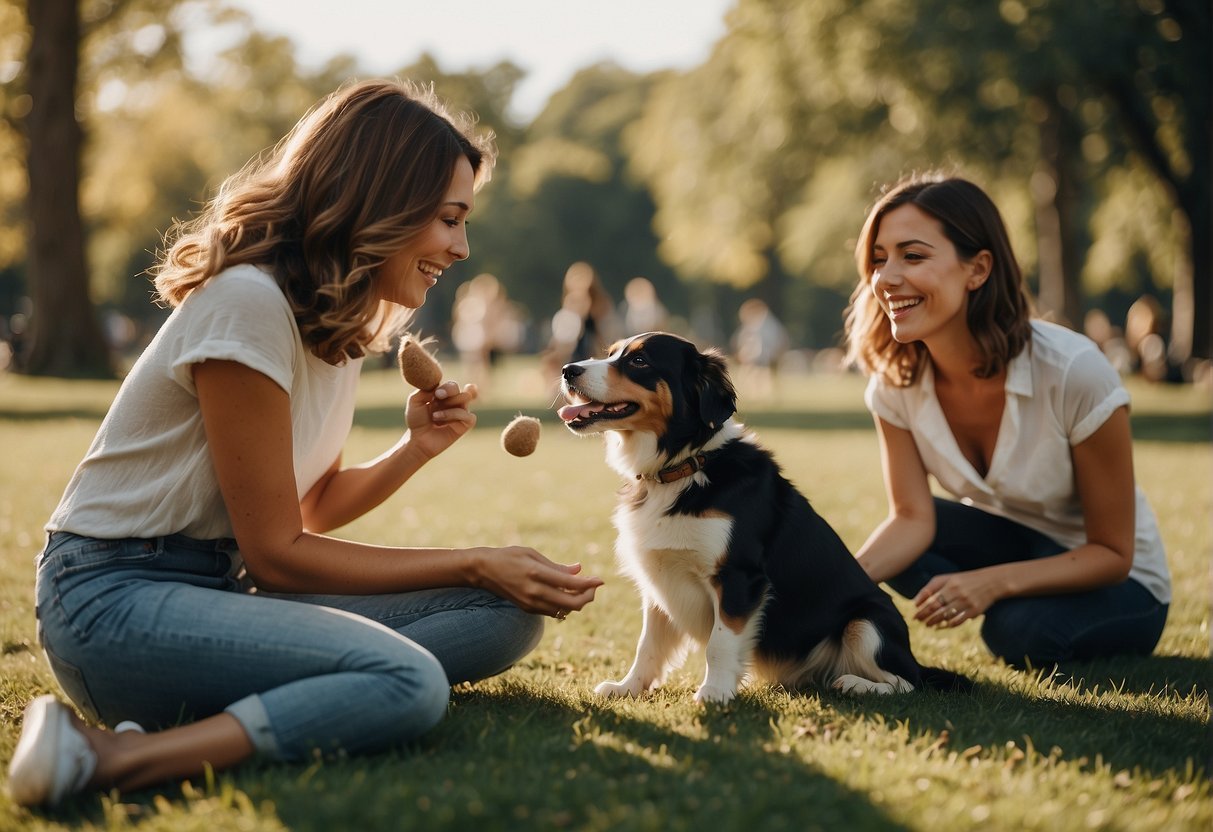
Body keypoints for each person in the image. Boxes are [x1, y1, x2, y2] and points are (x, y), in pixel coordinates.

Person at [7, 79, 602, 809]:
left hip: (220, 587)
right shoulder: (248, 303)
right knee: (408, 682)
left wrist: (413, 449)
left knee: (503, 616)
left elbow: (309, 509)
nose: (460, 246)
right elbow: (278, 552)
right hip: (112, 603)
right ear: (381, 201)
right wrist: (475, 559)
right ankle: (116, 756)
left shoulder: (338, 325)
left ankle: (322, 683)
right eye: (448, 219)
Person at [843, 173, 1170, 669]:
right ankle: (1017, 599)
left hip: (1121, 580)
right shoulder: (894, 385)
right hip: (1017, 540)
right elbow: (911, 519)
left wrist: (989, 583)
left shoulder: (1074, 372)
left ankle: (1020, 607)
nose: (886, 278)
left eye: (912, 256)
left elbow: (1112, 552)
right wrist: (833, 592)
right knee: (906, 553)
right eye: (879, 258)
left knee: (1016, 633)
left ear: (977, 269)